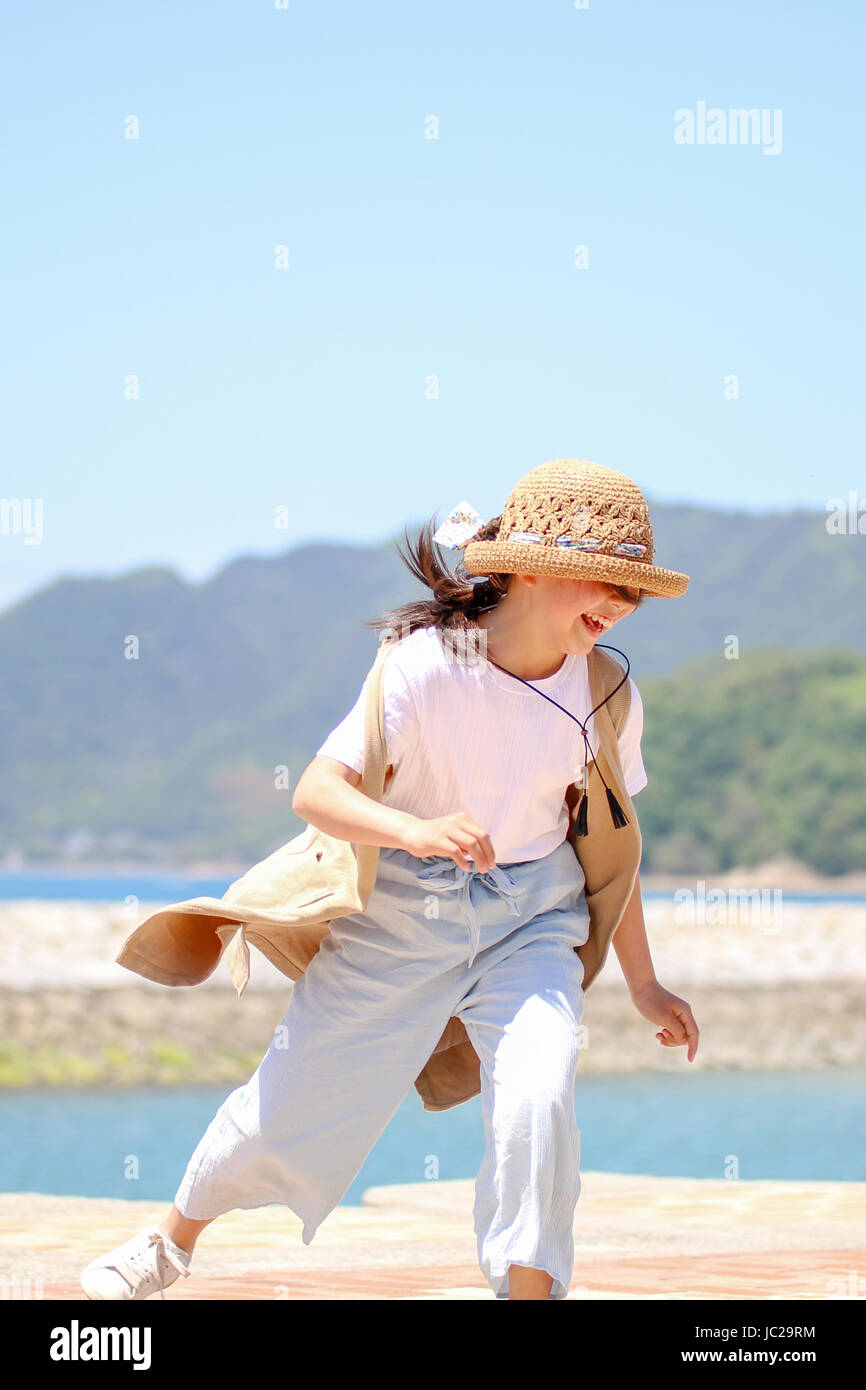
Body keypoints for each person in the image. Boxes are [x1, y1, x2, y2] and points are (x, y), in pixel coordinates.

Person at [80, 457, 699, 1301]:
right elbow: (318, 791)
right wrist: (416, 829)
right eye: (604, 582)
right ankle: (167, 1242)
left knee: (538, 1096)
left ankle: (528, 1295)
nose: (621, 608)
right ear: (524, 569)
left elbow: (607, 847)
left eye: (633, 595)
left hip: (535, 919)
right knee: (295, 1105)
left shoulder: (607, 688)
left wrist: (646, 982)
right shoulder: (424, 665)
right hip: (405, 911)